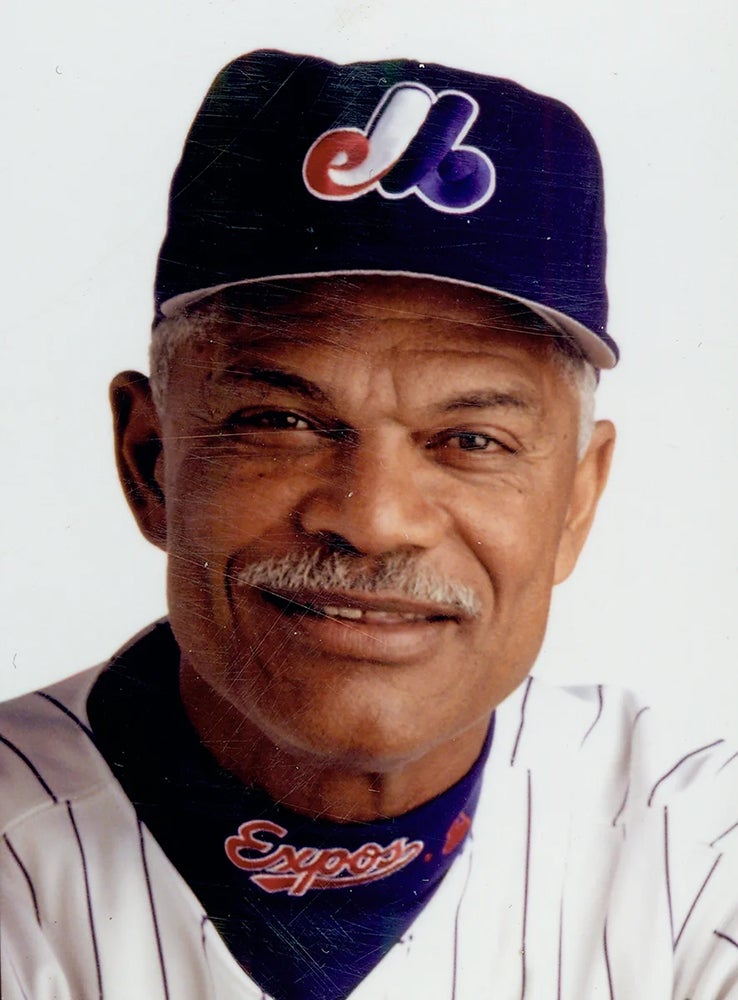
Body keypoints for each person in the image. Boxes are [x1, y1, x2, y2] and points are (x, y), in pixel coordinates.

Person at [1, 49, 736, 1000]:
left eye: (472, 438)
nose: (377, 519)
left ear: (577, 501)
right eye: (284, 422)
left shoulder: (704, 846)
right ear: (151, 463)